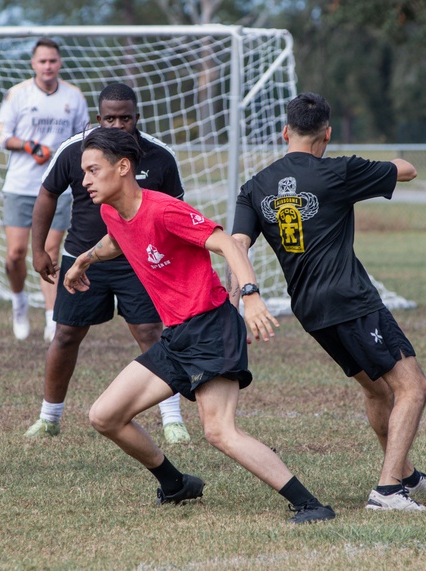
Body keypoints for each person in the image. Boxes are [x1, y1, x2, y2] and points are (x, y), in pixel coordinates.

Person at [63, 127, 335, 524]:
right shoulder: (111, 210)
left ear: (122, 167)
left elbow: (226, 242)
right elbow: (117, 241)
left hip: (211, 327)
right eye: (83, 171)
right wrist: (84, 259)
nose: (84, 180)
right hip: (177, 336)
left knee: (219, 431)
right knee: (105, 415)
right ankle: (175, 484)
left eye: (92, 170)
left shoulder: (163, 209)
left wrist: (252, 294)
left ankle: (311, 505)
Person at [231, 92, 426, 512]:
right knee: (413, 388)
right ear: (327, 134)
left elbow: (236, 245)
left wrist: (249, 294)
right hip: (351, 301)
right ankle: (389, 491)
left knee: (376, 390)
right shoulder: (339, 171)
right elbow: (406, 170)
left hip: (309, 310)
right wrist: (363, 166)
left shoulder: (255, 187)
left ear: (285, 132)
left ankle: (404, 473)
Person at [26, 83, 190, 444]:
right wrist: (39, 250)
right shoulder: (74, 151)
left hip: (140, 260)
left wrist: (171, 264)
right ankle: (49, 417)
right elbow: (47, 194)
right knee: (66, 335)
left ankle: (173, 419)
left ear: (137, 117)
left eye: (126, 118)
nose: (118, 124)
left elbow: (177, 213)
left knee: (151, 335)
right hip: (84, 260)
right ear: (98, 119)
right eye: (110, 118)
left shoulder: (160, 156)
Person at [0, 37, 89, 341]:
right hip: (21, 186)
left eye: (53, 61)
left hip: (59, 189)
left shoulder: (74, 96)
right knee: (16, 253)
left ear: (60, 63)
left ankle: (51, 318)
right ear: (33, 64)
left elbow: (85, 139)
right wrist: (30, 146)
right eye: (42, 61)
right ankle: (19, 302)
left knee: (50, 252)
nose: (48, 66)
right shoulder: (17, 94)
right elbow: (1, 136)